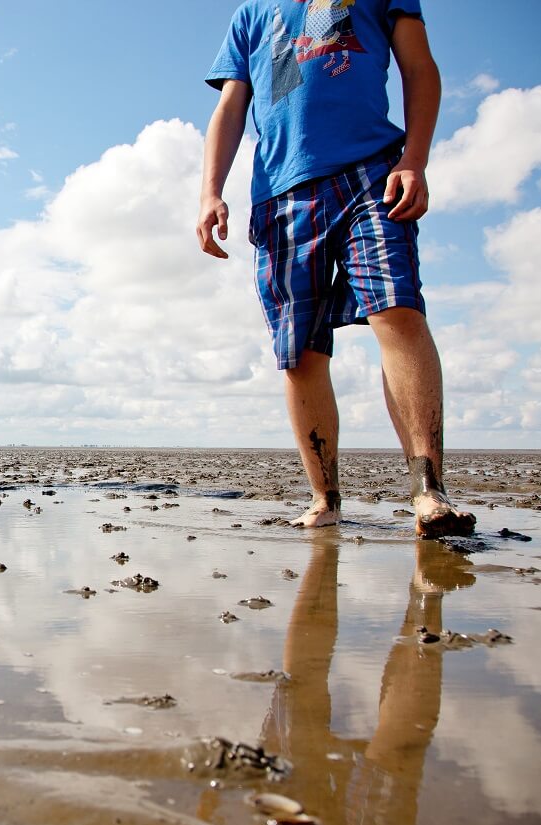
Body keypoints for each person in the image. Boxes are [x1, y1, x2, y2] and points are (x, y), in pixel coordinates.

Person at [196, 0, 475, 537]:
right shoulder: (252, 14)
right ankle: (325, 498)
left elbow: (419, 66)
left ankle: (428, 490)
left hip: (371, 171)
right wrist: (210, 192)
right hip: (279, 195)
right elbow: (231, 108)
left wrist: (414, 158)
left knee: (396, 310)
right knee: (300, 352)